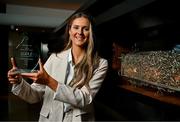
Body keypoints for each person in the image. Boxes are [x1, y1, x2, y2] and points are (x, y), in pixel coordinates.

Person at [7, 12, 108, 122]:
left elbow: (84, 98)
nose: (80, 32)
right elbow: (34, 96)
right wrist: (19, 82)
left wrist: (49, 81)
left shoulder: (100, 64)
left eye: (85, 29)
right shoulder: (55, 58)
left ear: (91, 32)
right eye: (76, 27)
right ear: (69, 31)